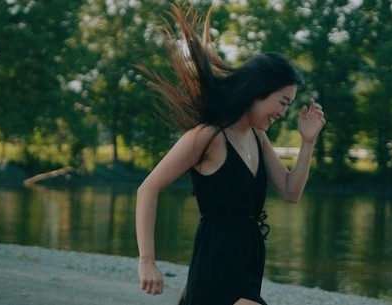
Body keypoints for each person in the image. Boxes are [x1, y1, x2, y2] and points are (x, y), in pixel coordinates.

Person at [135, 3, 326, 305]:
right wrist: (147, 259)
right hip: (217, 260)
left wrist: (308, 142)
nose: (283, 112)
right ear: (258, 90)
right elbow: (149, 188)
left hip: (248, 260)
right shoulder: (207, 136)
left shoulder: (257, 137)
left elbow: (291, 192)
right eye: (283, 102)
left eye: (289, 105)